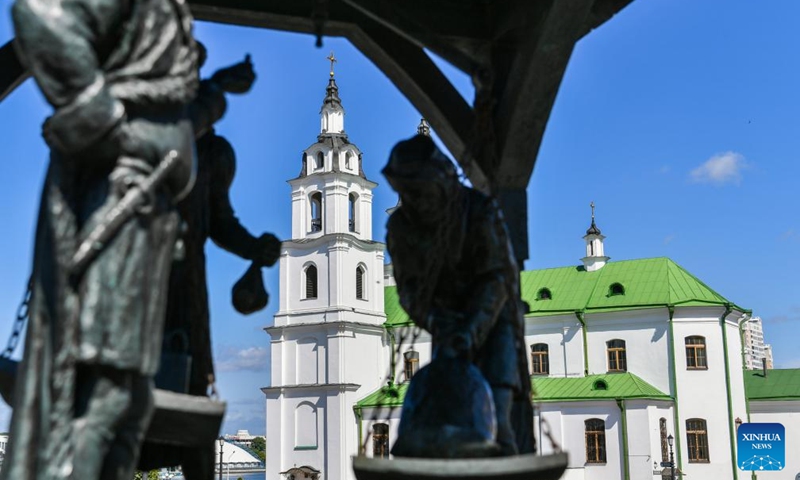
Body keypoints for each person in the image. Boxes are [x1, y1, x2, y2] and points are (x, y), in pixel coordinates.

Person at [4, 0, 199, 479]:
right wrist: (104, 121)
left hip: (146, 215)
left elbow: (165, 99)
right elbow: (40, 11)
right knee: (103, 395)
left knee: (131, 400)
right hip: (120, 205)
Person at [139, 48, 280, 479]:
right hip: (135, 275)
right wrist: (217, 90)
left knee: (192, 389)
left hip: (187, 284)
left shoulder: (214, 151)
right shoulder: (146, 130)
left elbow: (220, 219)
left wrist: (255, 248)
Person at [383, 134, 534, 457]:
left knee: (496, 385)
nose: (414, 201)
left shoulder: (478, 210)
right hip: (446, 319)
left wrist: (472, 328)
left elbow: (497, 278)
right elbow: (409, 290)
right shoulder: (401, 226)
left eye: (420, 192)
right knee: (449, 394)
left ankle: (504, 443)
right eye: (406, 193)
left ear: (441, 183)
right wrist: (437, 320)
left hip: (492, 312)